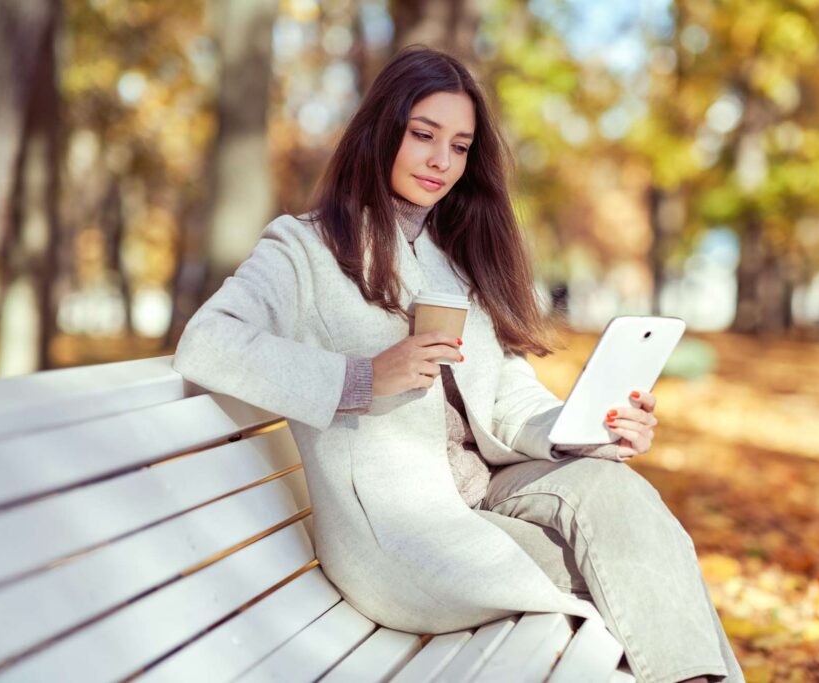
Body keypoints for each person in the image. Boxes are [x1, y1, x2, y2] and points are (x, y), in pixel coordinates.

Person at [173, 46, 743, 683]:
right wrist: (361, 378)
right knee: (637, 562)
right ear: (381, 132)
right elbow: (208, 342)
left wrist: (587, 429)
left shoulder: (454, 259)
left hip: (487, 495)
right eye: (423, 135)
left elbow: (505, 395)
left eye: (461, 145)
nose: (442, 160)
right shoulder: (304, 248)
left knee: (622, 500)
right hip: (403, 539)